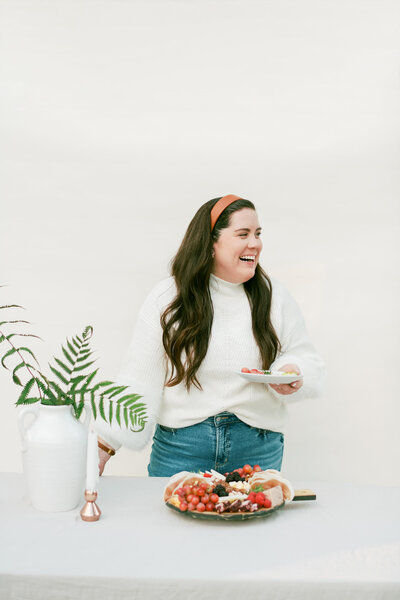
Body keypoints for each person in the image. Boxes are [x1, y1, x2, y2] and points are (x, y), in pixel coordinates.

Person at [96, 195, 325, 476]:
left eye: (257, 234)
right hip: (181, 449)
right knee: (169, 521)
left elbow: (303, 355)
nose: (255, 243)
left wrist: (292, 370)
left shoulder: (274, 296)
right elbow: (139, 378)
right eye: (243, 234)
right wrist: (103, 445)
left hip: (257, 451)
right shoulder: (168, 297)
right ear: (211, 243)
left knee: (256, 522)